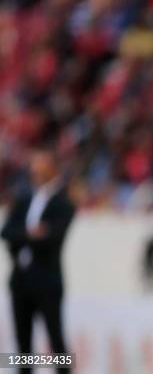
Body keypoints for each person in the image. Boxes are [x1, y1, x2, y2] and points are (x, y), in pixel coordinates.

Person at [1, 148, 76, 374]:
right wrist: (30, 233)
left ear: (53, 167)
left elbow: (53, 236)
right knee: (22, 346)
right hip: (20, 279)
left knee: (56, 341)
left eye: (41, 163)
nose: (35, 169)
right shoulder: (23, 199)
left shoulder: (63, 203)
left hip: (48, 280)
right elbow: (6, 232)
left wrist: (24, 235)